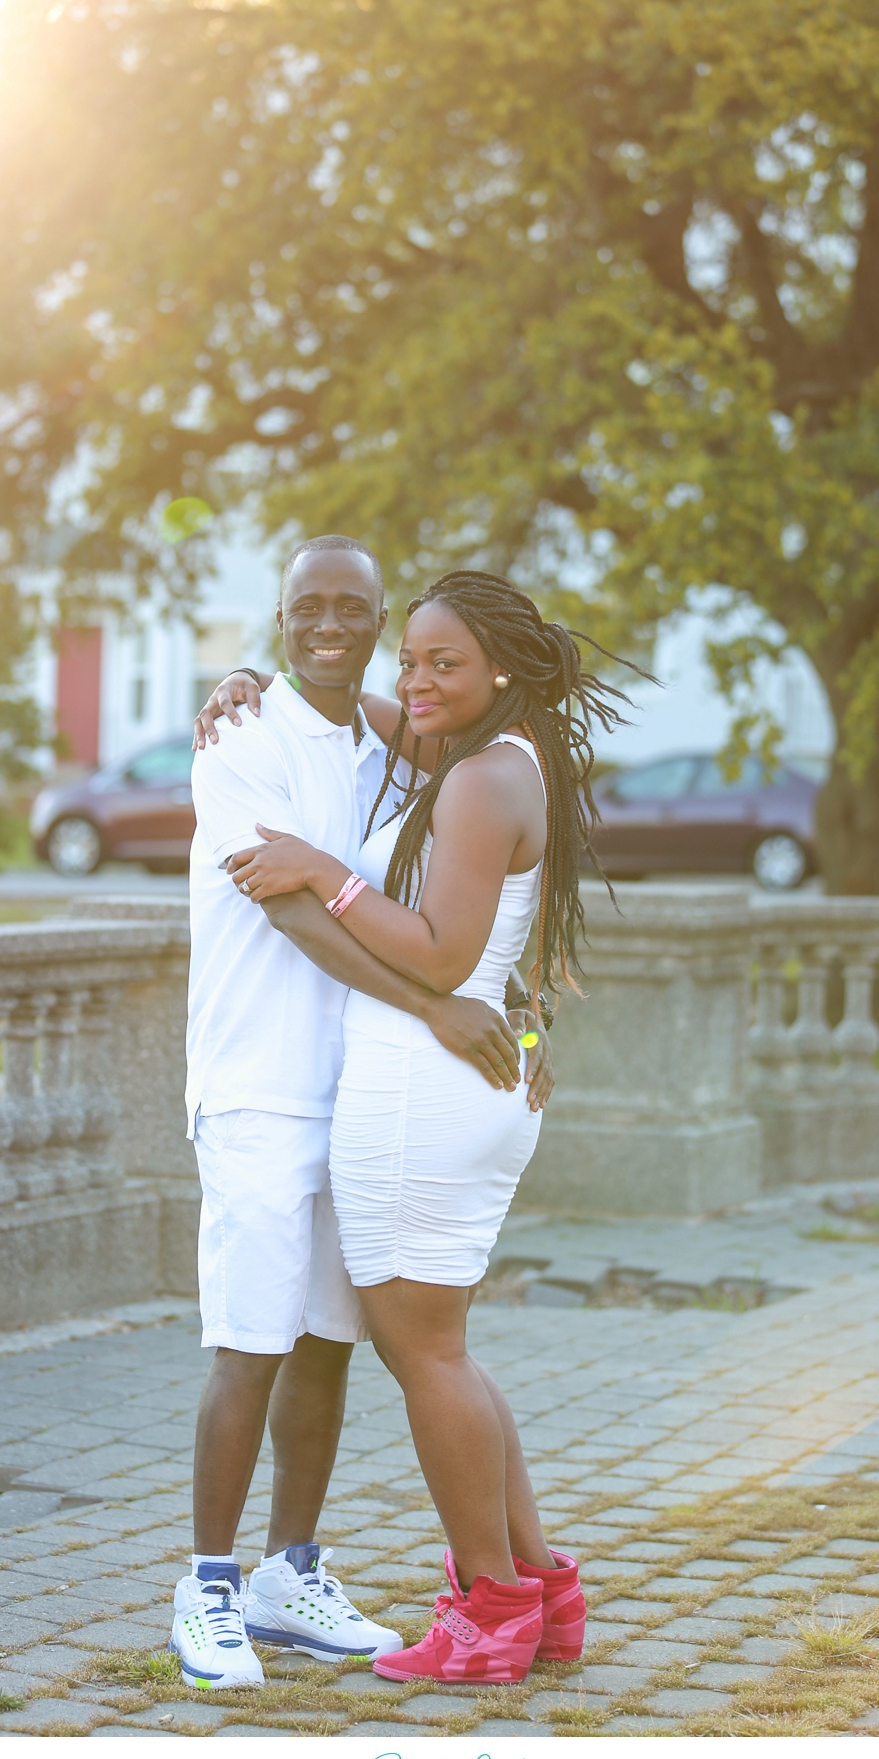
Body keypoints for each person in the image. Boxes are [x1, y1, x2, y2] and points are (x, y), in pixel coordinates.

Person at [221, 568, 638, 1685]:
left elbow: (444, 955)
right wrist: (260, 684)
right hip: (471, 1089)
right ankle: (539, 1596)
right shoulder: (509, 756)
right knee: (446, 1351)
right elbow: (364, 706)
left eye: (441, 662)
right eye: (408, 660)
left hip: (422, 1084)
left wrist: (324, 873)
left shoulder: (474, 784)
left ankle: (489, 1616)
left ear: (497, 666)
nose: (416, 682)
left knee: (427, 1354)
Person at [172, 537, 552, 1692]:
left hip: (359, 1092)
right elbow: (294, 911)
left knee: (331, 1345)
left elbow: (460, 899)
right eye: (306, 609)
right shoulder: (240, 736)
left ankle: (293, 1574)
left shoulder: (396, 744)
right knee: (252, 1345)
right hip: (256, 1083)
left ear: (377, 621)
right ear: (278, 619)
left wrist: (506, 1005)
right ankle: (209, 1587)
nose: (329, 626)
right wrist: (440, 1007)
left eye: (353, 610)